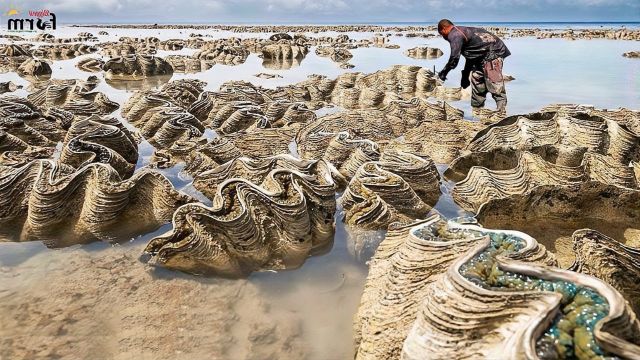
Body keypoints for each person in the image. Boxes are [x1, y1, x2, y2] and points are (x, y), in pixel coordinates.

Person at [437, 19, 511, 112]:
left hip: (494, 52)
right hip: (481, 54)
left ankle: (501, 112)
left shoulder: (455, 35)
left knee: (494, 83)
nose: (443, 37)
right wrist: (465, 76)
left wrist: (444, 73)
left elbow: (454, 58)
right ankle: (477, 111)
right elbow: (471, 57)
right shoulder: (461, 31)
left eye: (441, 34)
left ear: (444, 29)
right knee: (476, 79)